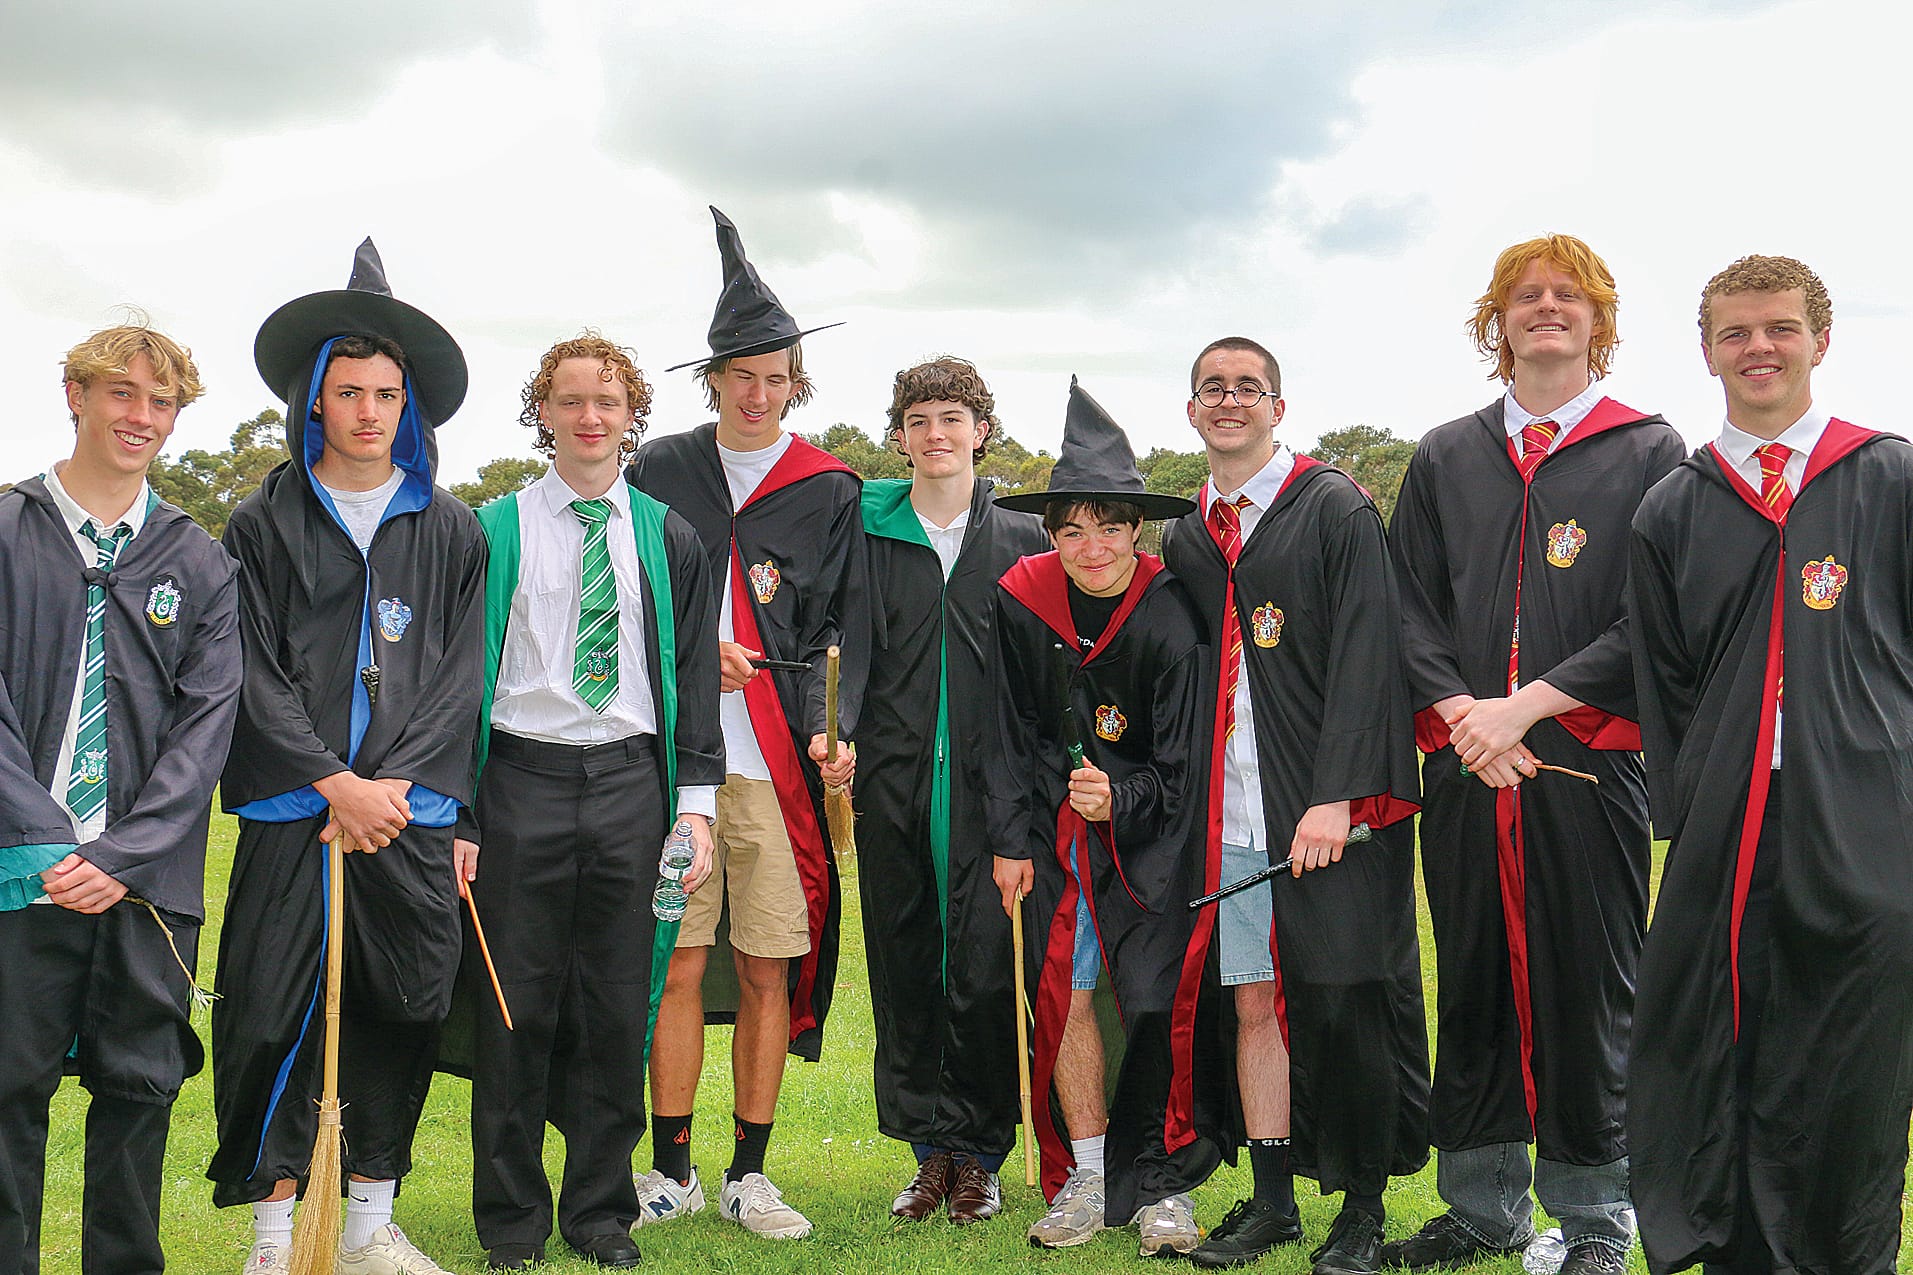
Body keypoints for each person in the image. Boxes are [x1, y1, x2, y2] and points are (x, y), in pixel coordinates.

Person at [1385, 234, 1685, 1274]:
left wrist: (1524, 710)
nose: (1545, 307)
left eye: (1568, 295)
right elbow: (1406, 601)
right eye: (1524, 295)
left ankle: (1597, 1218)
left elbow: (1655, 613)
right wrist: (1465, 715)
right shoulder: (1447, 453)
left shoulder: (1648, 450)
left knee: (1588, 989)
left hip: (1583, 760)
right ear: (1496, 322)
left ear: (1598, 321)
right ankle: (1481, 1208)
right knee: (1470, 981)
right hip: (1465, 760)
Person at [1628, 256, 1913, 1275]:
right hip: (1730, 825)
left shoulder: (1888, 476)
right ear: (1706, 351)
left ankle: (1847, 1254)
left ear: (1818, 341)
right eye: (1736, 332)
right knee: (1722, 1045)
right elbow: (1663, 677)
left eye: (1780, 328)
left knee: (1855, 1057)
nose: (1759, 348)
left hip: (1870, 818)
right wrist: (1687, 810)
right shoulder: (1672, 505)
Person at [207, 240, 487, 1275]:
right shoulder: (260, 524)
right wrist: (331, 780)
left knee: (402, 1002)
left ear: (408, 405)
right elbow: (248, 667)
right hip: (298, 812)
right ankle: (274, 1237)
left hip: (406, 817)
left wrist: (391, 789)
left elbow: (461, 672)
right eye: (349, 392)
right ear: (314, 401)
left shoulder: (450, 528)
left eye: (386, 394)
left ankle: (369, 1223)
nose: (369, 412)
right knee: (270, 1012)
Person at [456, 334, 723, 1270]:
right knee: (514, 1006)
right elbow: (457, 677)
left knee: (616, 1004)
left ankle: (601, 1210)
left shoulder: (667, 534)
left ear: (631, 414)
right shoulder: (492, 529)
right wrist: (460, 812)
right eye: (569, 400)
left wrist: (694, 805)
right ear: (543, 412)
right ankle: (511, 1219)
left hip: (629, 785)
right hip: (518, 781)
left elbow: (694, 671)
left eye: (607, 401)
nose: (589, 417)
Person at [1161, 337, 1428, 1275]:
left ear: (1277, 406)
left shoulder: (1332, 507)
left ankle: (1360, 1208)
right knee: (1252, 1000)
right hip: (1232, 812)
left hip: (1327, 812)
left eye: (1248, 387)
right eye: (1212, 388)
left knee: (1348, 1000)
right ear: (1191, 410)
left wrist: (1336, 797)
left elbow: (1370, 656)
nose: (1229, 400)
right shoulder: (1189, 533)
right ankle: (1272, 1201)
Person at [625, 207, 864, 1240]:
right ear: (711, 378)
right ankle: (670, 1169)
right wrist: (692, 653)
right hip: (673, 760)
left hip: (772, 764)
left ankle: (748, 1174)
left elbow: (842, 627)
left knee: (768, 964)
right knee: (677, 958)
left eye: (775, 377)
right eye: (740, 375)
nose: (757, 393)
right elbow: (622, 600)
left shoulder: (828, 487)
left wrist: (829, 726)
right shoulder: (656, 468)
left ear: (794, 383)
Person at [0, 323, 241, 1275]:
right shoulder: (8, 530)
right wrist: (44, 837)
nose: (141, 415)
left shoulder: (199, 559)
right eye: (121, 393)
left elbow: (205, 727)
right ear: (76, 395)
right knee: (6, 1091)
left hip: (144, 883)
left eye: (161, 401)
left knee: (141, 1090)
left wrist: (120, 855)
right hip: (21, 870)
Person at [987, 378, 1222, 1259]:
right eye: (1072, 529)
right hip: (1052, 838)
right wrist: (1010, 839)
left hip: (1154, 840)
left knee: (1158, 1001)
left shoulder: (1171, 616)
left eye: (1110, 527)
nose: (1092, 548)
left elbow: (1186, 761)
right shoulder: (1021, 598)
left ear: (1137, 530)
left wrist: (1120, 798)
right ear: (1050, 533)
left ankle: (1163, 1182)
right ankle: (1086, 1172)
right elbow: (1004, 728)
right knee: (1066, 992)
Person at [857, 356, 1049, 1225]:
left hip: (991, 784)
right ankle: (927, 1152)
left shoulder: (1021, 535)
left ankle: (980, 1153)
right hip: (892, 778)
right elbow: (837, 637)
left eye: (951, 418)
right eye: (919, 419)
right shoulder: (867, 526)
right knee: (905, 962)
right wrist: (832, 728)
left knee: (981, 965)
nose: (935, 434)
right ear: (900, 436)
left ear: (981, 430)